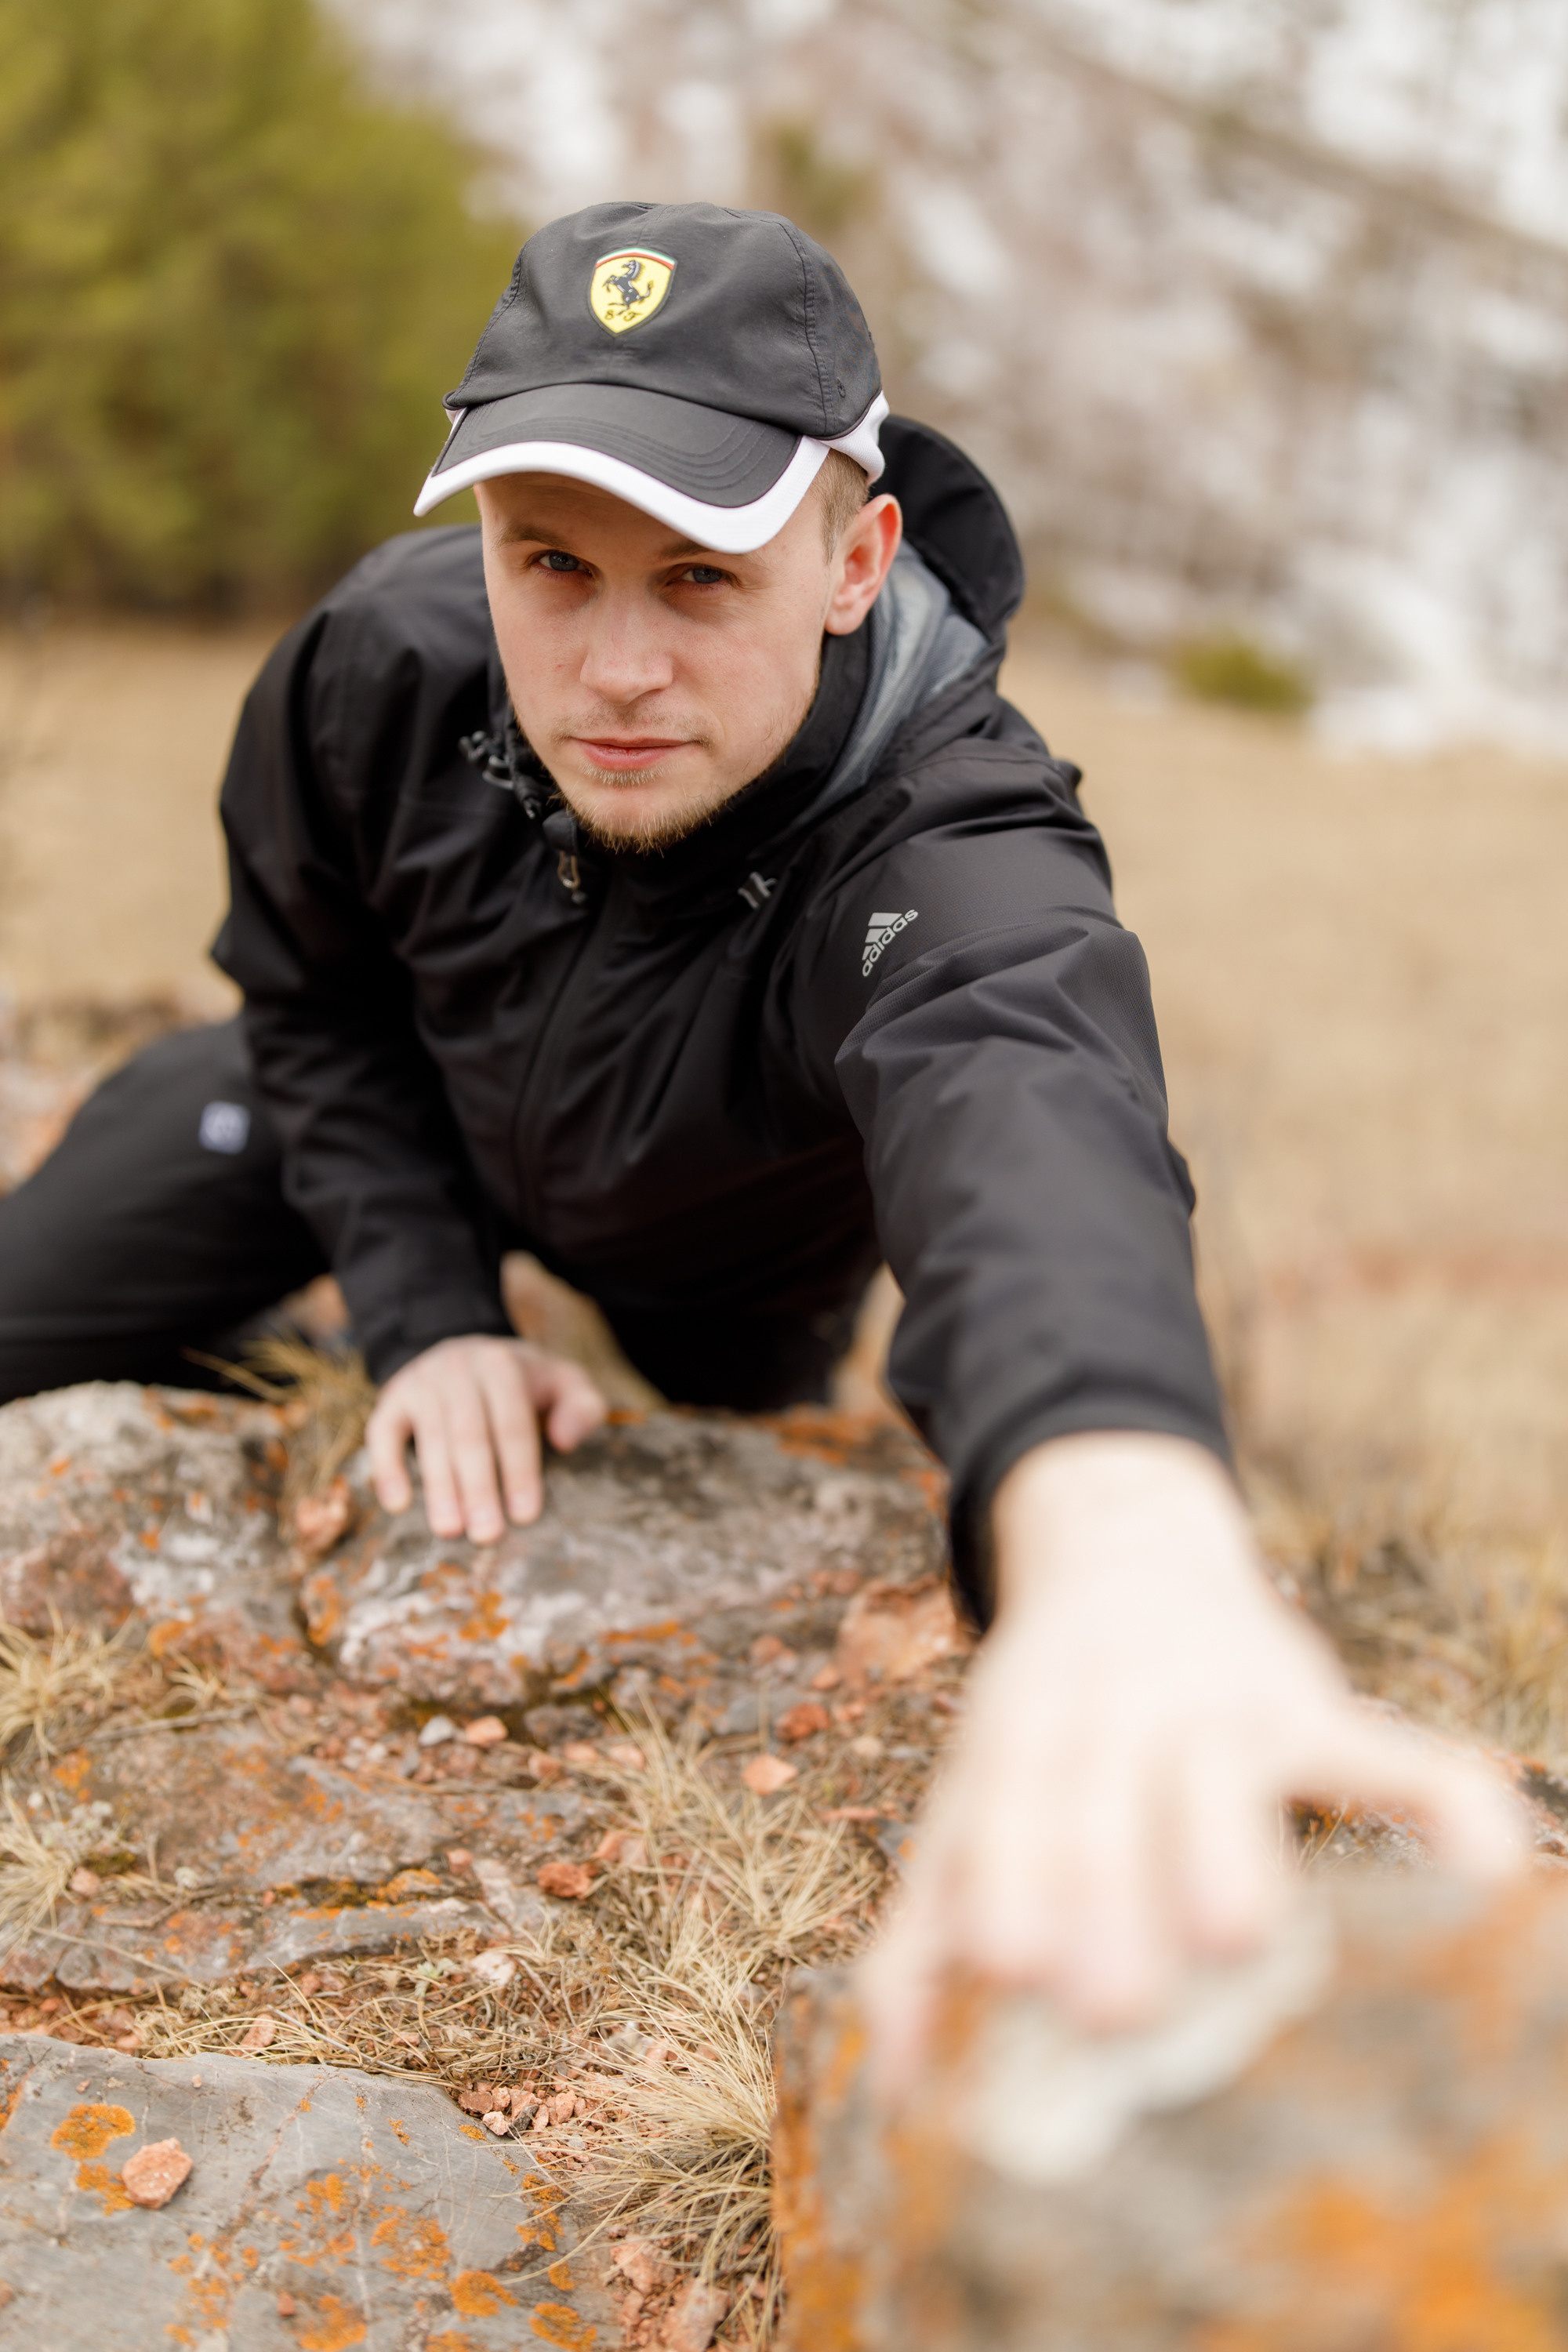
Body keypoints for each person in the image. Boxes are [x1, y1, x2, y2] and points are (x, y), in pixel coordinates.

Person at [0, 201, 1522, 2060]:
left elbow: (1027, 1126)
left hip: (719, 1270)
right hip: (391, 1121)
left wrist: (1124, 1530)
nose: (615, 668)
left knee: (714, 1445)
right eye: (552, 565)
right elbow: (305, 992)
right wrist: (427, 1313)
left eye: (702, 579)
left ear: (854, 559)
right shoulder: (380, 665)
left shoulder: (948, 848)